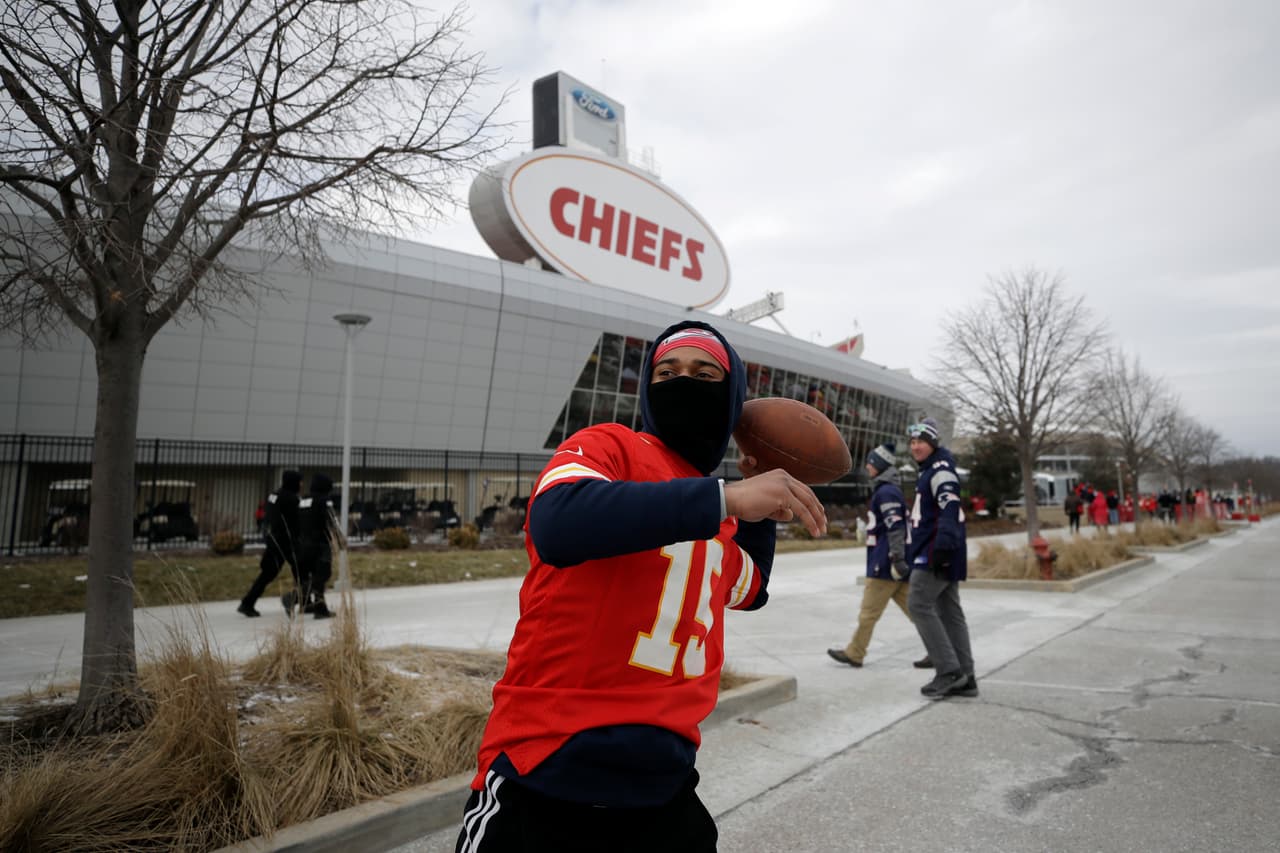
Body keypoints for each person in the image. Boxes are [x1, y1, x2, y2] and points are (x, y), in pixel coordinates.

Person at [455, 321, 826, 853]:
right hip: (546, 772)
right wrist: (728, 499)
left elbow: (753, 586)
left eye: (704, 373)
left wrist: (762, 492)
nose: (682, 382)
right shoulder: (610, 446)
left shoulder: (716, 518)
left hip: (662, 788)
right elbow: (556, 523)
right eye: (666, 372)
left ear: (730, 396)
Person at [827, 443, 928, 669]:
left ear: (880, 466)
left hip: (884, 564)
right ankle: (941, 648)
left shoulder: (886, 492)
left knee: (868, 614)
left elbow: (895, 527)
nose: (867, 466)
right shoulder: (888, 490)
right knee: (917, 611)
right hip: (892, 562)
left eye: (871, 462)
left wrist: (897, 557)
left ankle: (855, 653)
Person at [903, 418, 977, 700]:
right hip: (941, 550)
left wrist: (943, 549)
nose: (916, 446)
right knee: (949, 612)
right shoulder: (931, 469)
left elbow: (950, 508)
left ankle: (949, 671)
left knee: (918, 604)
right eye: (912, 442)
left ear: (933, 444)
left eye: (921, 441)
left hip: (936, 552)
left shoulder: (940, 470)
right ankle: (966, 677)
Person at [238, 470, 302, 617]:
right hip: (287, 542)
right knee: (302, 571)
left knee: (267, 574)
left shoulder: (274, 495)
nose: (301, 484)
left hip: (273, 540)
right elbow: (296, 523)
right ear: (293, 482)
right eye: (299, 481)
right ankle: (297, 599)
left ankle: (247, 603)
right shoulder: (291, 499)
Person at [288, 473, 340, 619]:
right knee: (323, 575)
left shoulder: (303, 500)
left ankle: (318, 608)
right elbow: (332, 521)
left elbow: (295, 522)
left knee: (311, 576)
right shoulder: (324, 500)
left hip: (303, 544)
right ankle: (292, 598)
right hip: (321, 544)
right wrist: (340, 540)